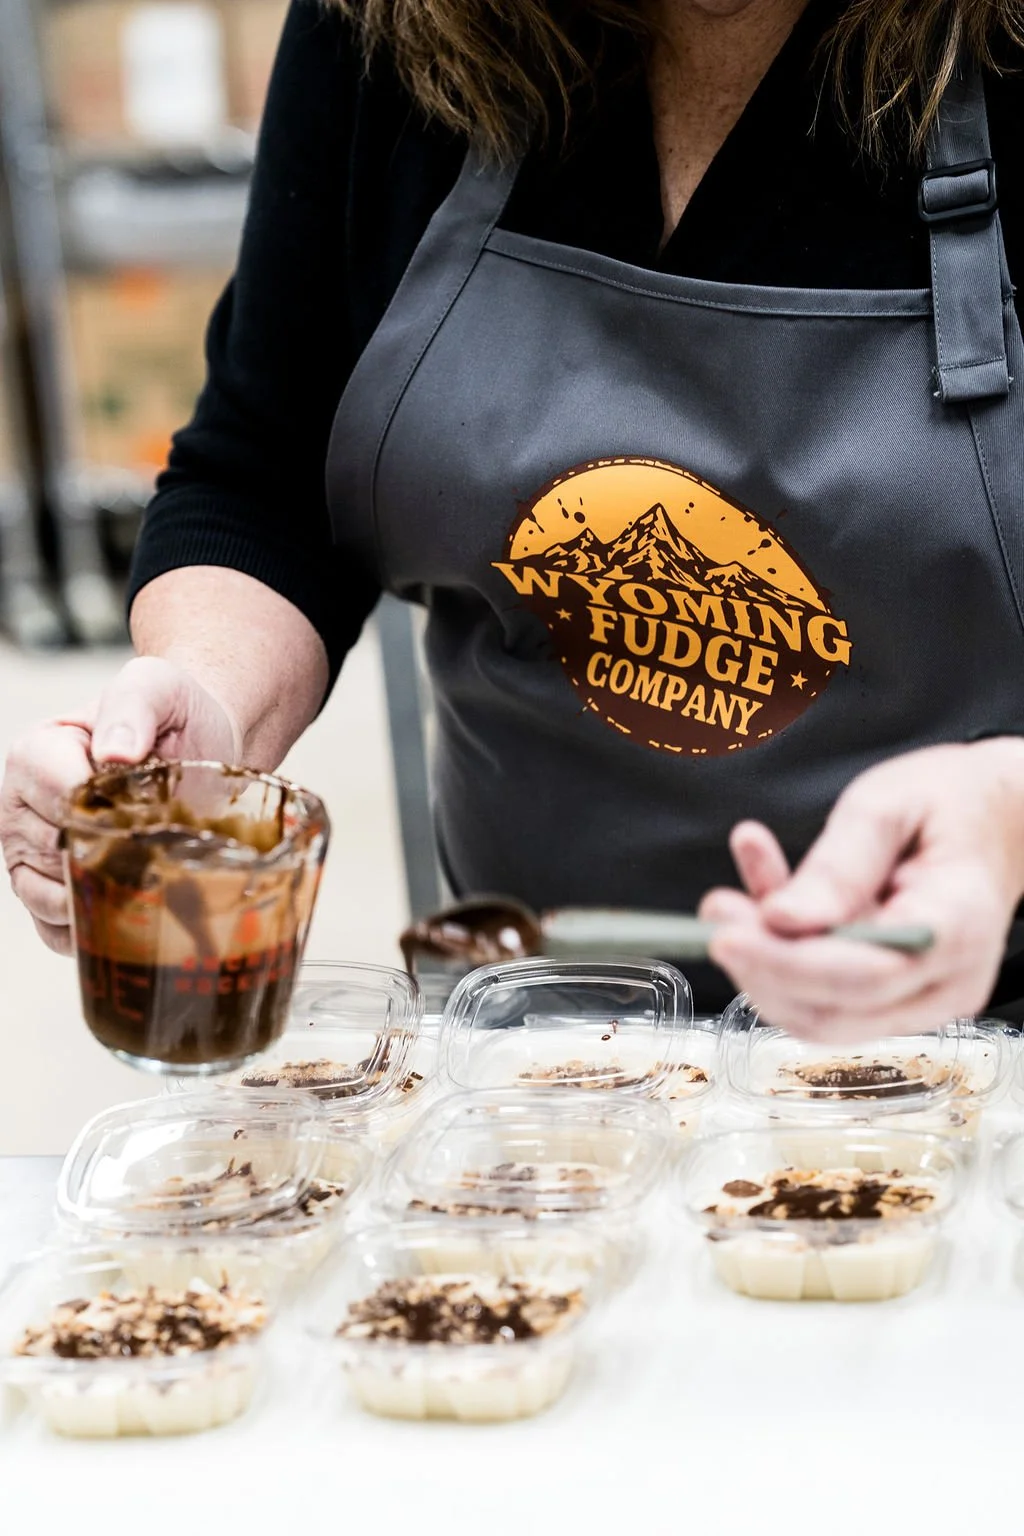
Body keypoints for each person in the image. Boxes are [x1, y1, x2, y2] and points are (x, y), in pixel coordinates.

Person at [4, 0, 1024, 1036]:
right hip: (537, 1071)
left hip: (979, 1060)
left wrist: (1007, 813)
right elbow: (267, 477)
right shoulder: (392, 28)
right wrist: (206, 719)